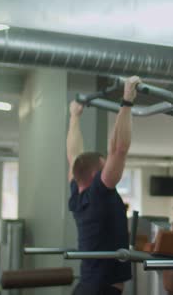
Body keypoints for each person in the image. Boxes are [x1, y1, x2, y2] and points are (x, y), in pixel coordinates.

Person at [66, 76, 142, 295]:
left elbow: (74, 156)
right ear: (94, 174)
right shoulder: (98, 193)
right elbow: (118, 149)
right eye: (104, 167)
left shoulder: (77, 196)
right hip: (101, 290)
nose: (108, 168)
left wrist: (74, 116)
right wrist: (127, 100)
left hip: (88, 286)